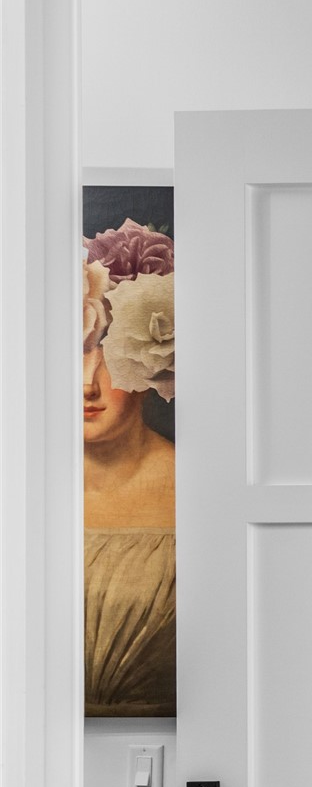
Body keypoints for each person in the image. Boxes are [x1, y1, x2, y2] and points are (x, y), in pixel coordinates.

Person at [82, 220, 177, 717]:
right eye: (72, 357)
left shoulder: (195, 486)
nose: (86, 386)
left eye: (108, 359)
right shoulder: (23, 491)